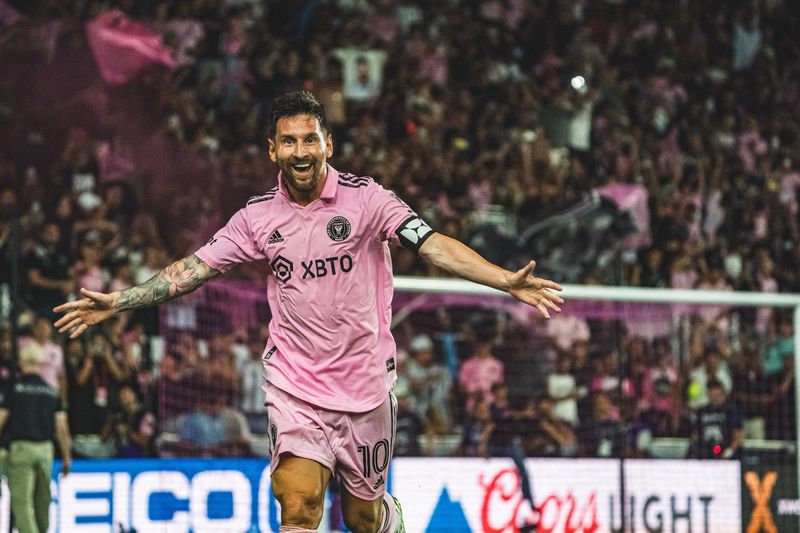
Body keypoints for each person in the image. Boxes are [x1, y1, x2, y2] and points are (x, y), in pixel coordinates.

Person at [53, 90, 563, 533]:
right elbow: (192, 269)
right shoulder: (257, 218)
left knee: (364, 519)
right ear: (274, 150)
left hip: (366, 387)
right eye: (290, 142)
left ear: (327, 144)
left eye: (310, 139)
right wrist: (119, 301)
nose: (301, 152)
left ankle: (388, 516)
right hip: (294, 384)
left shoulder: (368, 201)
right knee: (297, 504)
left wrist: (503, 279)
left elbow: (431, 244)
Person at [0, 344, 71, 533]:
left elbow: (1, 420)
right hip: (45, 450)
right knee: (43, 502)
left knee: (22, 504)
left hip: (21, 448)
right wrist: (66, 456)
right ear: (40, 365)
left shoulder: (14, 390)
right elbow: (61, 428)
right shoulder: (52, 392)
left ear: (21, 364)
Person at [691, 379, 743, 459]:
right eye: (712, 395)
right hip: (705, 452)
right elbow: (696, 435)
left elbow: (737, 436)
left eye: (717, 395)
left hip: (725, 450)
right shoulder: (701, 411)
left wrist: (728, 452)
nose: (715, 398)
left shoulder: (731, 411)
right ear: (708, 394)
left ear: (723, 394)